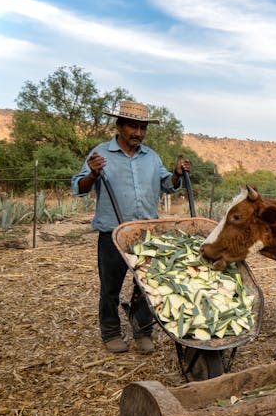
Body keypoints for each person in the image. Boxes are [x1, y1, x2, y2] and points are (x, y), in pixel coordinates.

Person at [72, 100, 192, 354]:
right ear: (119, 125)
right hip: (113, 234)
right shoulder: (101, 154)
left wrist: (177, 174)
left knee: (145, 285)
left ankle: (143, 331)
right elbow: (78, 188)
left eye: (142, 128)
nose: (138, 132)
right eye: (133, 127)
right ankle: (111, 332)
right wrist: (92, 174)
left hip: (145, 234)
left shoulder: (151, 156)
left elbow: (167, 184)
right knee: (110, 288)